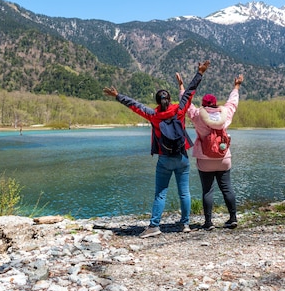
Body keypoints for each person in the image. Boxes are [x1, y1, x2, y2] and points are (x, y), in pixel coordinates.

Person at [103, 61, 210, 238]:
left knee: (160, 193)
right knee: (184, 192)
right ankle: (185, 224)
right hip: (182, 157)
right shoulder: (179, 110)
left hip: (165, 158)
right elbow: (190, 91)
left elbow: (135, 105)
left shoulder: (154, 115)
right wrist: (200, 72)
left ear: (158, 102)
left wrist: (117, 95)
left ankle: (154, 226)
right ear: (169, 100)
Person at [177, 72, 243, 230]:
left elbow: (186, 103)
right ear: (215, 104)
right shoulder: (225, 115)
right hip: (223, 157)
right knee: (227, 188)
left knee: (207, 190)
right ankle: (233, 218)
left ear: (204, 104)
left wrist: (181, 86)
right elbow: (232, 103)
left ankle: (208, 222)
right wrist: (236, 86)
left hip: (204, 158)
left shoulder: (198, 115)